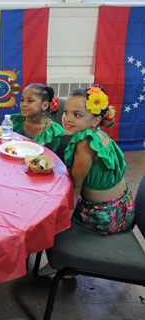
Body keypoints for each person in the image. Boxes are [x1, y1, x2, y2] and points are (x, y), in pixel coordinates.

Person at [39, 85, 134, 276]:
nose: (68, 118)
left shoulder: (85, 143)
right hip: (124, 205)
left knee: (48, 212)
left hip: (107, 215)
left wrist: (64, 222)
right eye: (66, 112)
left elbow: (75, 185)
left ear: (96, 120)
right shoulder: (98, 133)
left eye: (77, 115)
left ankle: (64, 262)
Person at [10, 84, 65, 151]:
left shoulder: (50, 131)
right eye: (22, 100)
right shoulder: (15, 121)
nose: (24, 104)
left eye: (30, 101)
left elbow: (45, 155)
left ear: (45, 105)